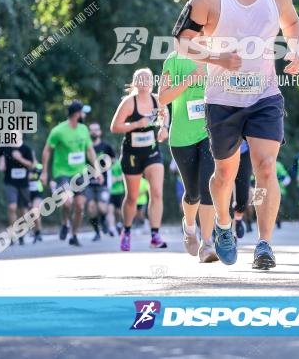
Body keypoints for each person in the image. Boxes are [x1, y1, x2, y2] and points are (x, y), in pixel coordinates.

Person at [173, 0, 299, 269]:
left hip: (265, 96)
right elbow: (182, 42)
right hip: (222, 100)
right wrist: (217, 57)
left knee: (265, 167)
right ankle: (223, 225)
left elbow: (292, 23)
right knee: (225, 174)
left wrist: (296, 49)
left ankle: (265, 245)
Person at [159, 50, 218, 262]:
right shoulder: (174, 60)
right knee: (192, 193)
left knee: (207, 187)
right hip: (182, 137)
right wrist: (190, 79)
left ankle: (208, 243)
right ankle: (190, 227)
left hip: (208, 133)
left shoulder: (215, 57)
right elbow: (163, 98)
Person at [110, 68, 169, 251]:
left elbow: (165, 115)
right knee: (132, 197)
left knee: (157, 192)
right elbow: (115, 127)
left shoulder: (157, 100)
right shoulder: (129, 103)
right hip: (132, 154)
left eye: (147, 79)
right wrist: (136, 124)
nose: (144, 82)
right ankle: (126, 232)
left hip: (152, 152)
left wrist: (164, 128)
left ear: (152, 82)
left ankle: (155, 234)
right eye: (140, 79)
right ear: (135, 83)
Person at [41, 100, 98, 247]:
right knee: (67, 202)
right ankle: (65, 222)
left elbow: (90, 150)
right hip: (62, 173)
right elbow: (47, 150)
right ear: (77, 113)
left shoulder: (84, 129)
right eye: (83, 112)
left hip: (79, 173)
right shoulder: (58, 131)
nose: (84, 115)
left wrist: (97, 169)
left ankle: (74, 235)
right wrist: (44, 172)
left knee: (79, 206)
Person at [0, 132, 36, 246]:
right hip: (10, 182)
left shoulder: (26, 149)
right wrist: (1, 164)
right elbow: (1, 162)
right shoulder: (4, 148)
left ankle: (21, 234)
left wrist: (19, 158)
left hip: (23, 184)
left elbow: (31, 165)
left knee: (23, 210)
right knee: (11, 207)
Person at [85, 122, 117, 241]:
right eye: (91, 130)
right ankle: (97, 232)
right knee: (91, 208)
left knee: (102, 207)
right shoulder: (86, 147)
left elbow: (113, 159)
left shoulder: (106, 146)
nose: (94, 132)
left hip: (103, 182)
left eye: (96, 129)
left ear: (100, 132)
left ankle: (104, 222)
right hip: (88, 182)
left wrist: (105, 165)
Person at [233, 139, 253, 238]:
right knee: (223, 193)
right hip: (220, 150)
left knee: (244, 199)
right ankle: (222, 228)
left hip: (243, 152)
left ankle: (239, 219)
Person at [27, 149, 45, 243]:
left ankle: (38, 232)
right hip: (28, 193)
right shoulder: (25, 166)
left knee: (35, 211)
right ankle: (36, 232)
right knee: (31, 214)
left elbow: (34, 177)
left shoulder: (39, 166)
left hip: (38, 192)